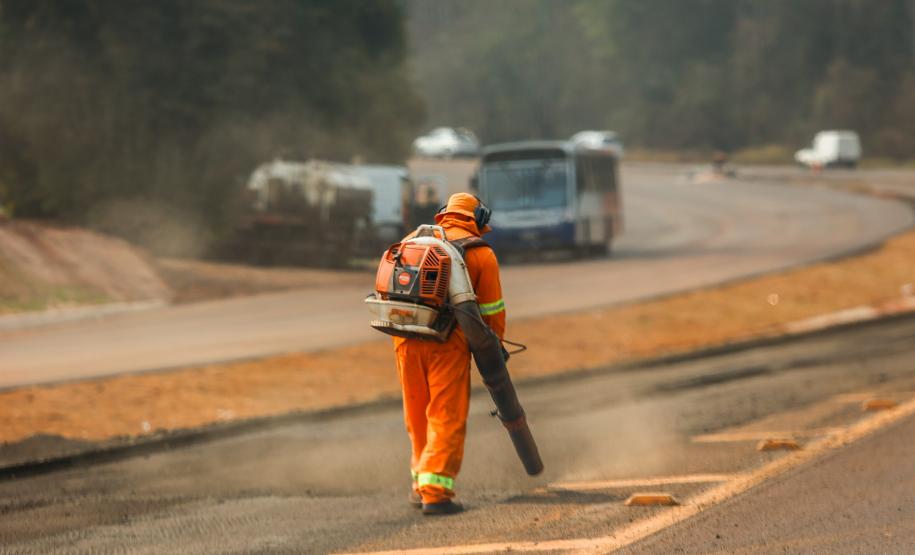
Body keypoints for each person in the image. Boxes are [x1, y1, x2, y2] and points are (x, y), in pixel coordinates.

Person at [393, 192, 506, 515]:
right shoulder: (481, 254)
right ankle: (436, 492)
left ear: (444, 214)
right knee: (445, 414)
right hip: (448, 344)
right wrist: (495, 347)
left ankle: (419, 484)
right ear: (480, 218)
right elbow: (492, 311)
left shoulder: (412, 239)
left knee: (416, 416)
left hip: (405, 339)